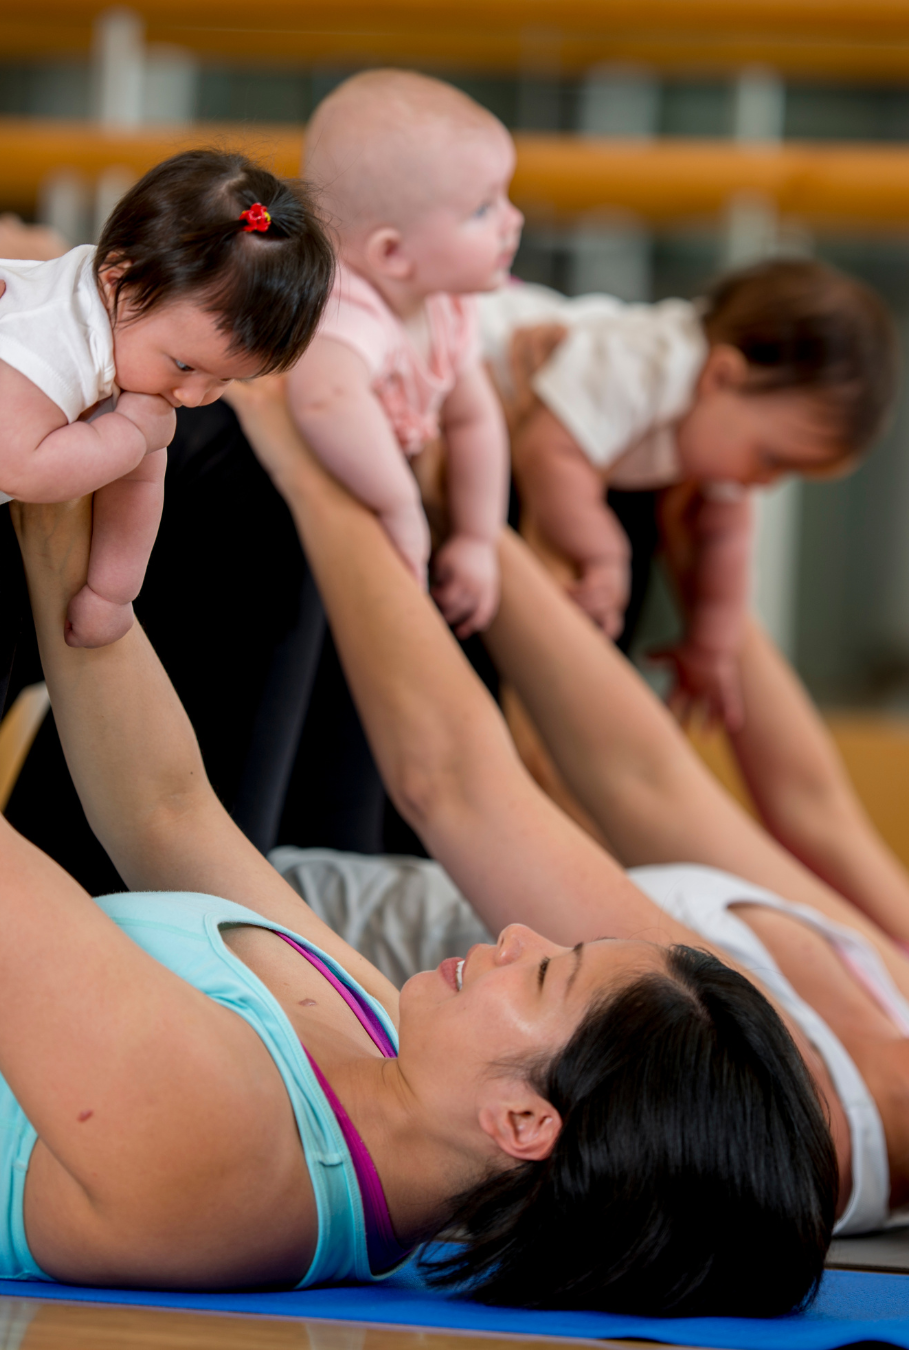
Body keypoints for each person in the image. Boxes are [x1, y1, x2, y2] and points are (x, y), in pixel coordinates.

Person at [0, 277, 833, 1317]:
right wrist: (64, 534)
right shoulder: (383, 1051)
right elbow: (167, 810)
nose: (518, 936)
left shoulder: (222, 1148)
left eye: (546, 975)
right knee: (60, 504)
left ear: (523, 1123)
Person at [225, 376, 907, 1247]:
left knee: (238, 445)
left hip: (243, 907)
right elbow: (647, 781)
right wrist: (456, 493)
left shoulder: (756, 1103)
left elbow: (455, 784)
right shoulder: (892, 1006)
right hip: (347, 838)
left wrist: (313, 461)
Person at [0, 149, 333, 647]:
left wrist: (112, 594)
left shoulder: (140, 344)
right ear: (116, 283)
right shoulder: (56, 337)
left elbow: (137, 481)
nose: (195, 396)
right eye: (186, 366)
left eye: (225, 381)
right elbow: (14, 464)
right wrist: (127, 436)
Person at [478, 261, 899, 725]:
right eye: (771, 459)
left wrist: (711, 646)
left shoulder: (722, 420)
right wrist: (602, 553)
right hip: (466, 350)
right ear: (720, 376)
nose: (766, 483)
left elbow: (728, 540)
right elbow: (546, 451)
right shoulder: (647, 365)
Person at [286, 70, 520, 638]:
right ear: (392, 254)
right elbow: (324, 401)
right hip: (276, 498)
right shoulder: (347, 305)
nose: (513, 221)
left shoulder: (445, 304)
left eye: (505, 197)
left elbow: (474, 419)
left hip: (355, 492)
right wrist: (399, 505)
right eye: (483, 210)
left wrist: (477, 537)